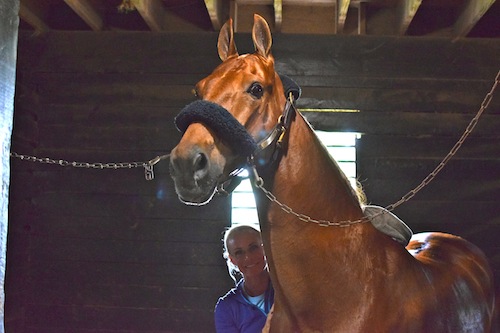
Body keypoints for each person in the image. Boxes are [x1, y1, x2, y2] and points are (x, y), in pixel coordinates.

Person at [214, 225, 274, 333]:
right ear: (232, 260)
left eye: (253, 248)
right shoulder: (227, 307)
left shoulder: (286, 291)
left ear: (264, 248)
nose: (248, 257)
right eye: (239, 252)